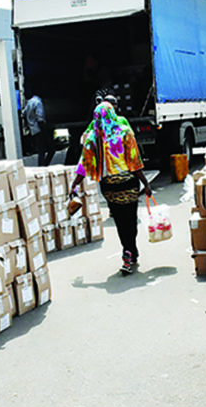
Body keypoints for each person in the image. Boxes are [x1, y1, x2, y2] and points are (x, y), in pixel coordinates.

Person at [70, 102, 152, 275]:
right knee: (130, 219)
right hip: (128, 183)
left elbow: (84, 164)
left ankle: (130, 251)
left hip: (109, 187)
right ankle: (129, 252)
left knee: (120, 222)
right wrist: (145, 183)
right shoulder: (125, 133)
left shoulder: (92, 138)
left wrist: (75, 184)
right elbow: (135, 163)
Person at [25, 88, 51, 166]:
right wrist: (45, 133)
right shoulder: (38, 102)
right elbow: (40, 119)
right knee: (49, 150)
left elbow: (23, 114)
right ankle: (43, 166)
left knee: (41, 150)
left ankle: (42, 166)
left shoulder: (29, 102)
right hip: (40, 129)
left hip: (33, 130)